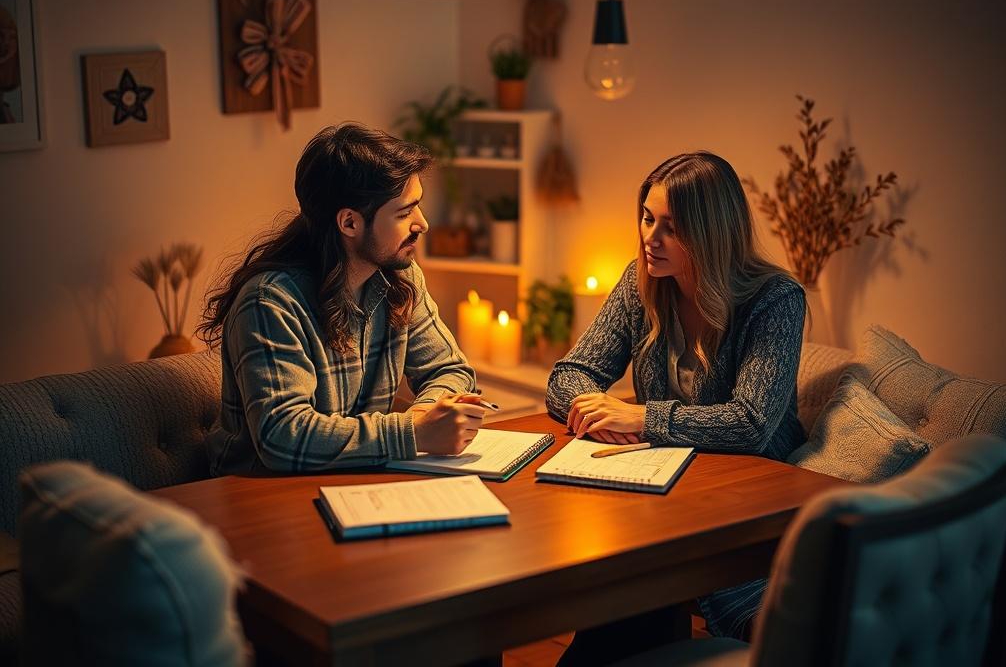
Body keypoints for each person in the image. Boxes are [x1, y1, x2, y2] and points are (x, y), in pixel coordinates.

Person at [546, 151, 807, 664]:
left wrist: (643, 418)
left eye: (672, 227)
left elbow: (751, 423)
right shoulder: (641, 283)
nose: (651, 237)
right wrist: (593, 408)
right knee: (617, 592)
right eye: (647, 218)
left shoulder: (775, 299)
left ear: (712, 232)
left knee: (629, 592)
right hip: (662, 489)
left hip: (744, 499)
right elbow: (567, 375)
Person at [200, 123, 487, 476]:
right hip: (261, 489)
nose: (423, 223)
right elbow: (282, 437)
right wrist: (413, 433)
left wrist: (426, 417)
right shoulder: (269, 302)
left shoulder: (400, 277)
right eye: (404, 213)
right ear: (349, 223)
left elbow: (450, 370)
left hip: (355, 478)